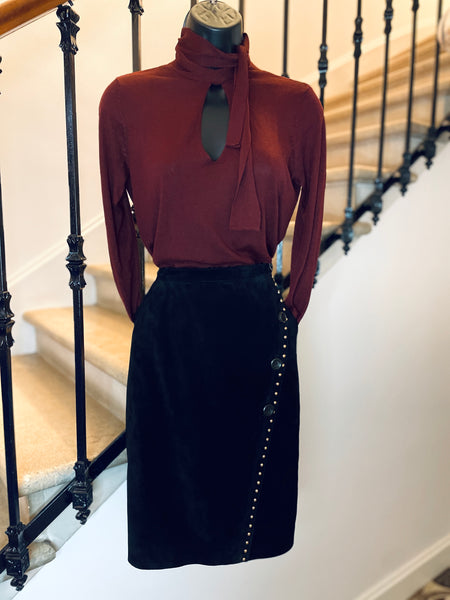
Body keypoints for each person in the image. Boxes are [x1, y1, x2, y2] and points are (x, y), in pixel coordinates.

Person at [99, 0, 326, 569]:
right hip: (171, 327)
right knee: (171, 500)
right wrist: (143, 307)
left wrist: (292, 306)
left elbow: (313, 210)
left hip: (256, 324)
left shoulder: (294, 104)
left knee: (252, 505)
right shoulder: (127, 100)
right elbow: (115, 212)